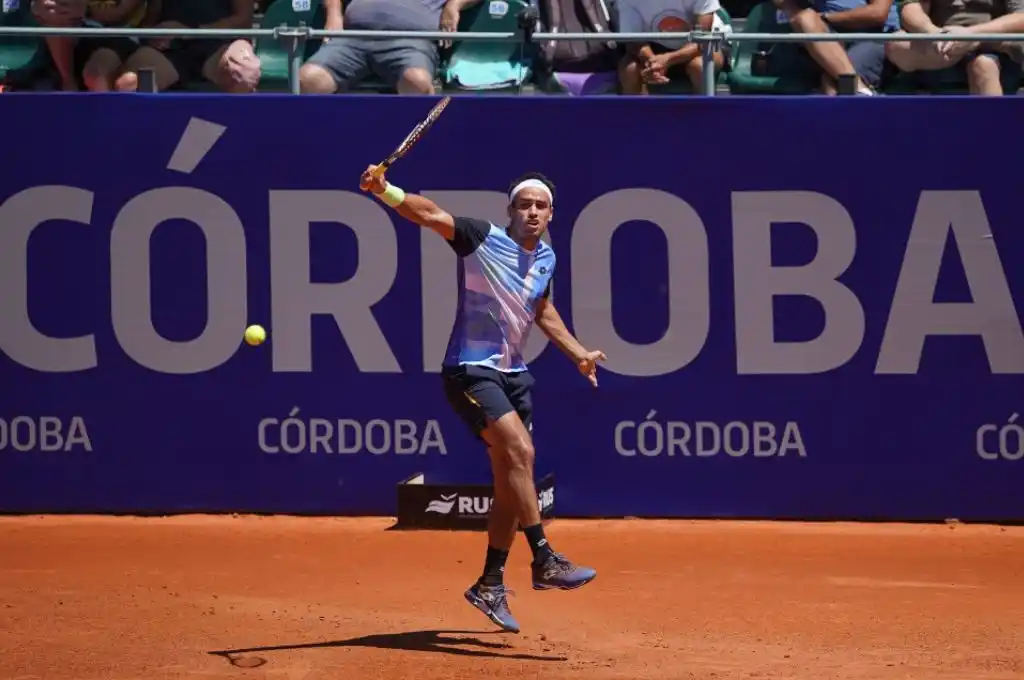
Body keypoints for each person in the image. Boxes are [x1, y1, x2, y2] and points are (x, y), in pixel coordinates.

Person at [358, 164, 603, 634]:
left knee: (512, 482)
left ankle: (489, 583)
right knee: (521, 453)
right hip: (470, 371)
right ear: (510, 209)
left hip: (515, 375)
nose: (532, 212)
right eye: (524, 204)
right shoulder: (481, 237)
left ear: (551, 214)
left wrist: (577, 354)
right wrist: (385, 190)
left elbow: (542, 311)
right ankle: (544, 557)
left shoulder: (547, 258)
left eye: (541, 205)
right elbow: (428, 215)